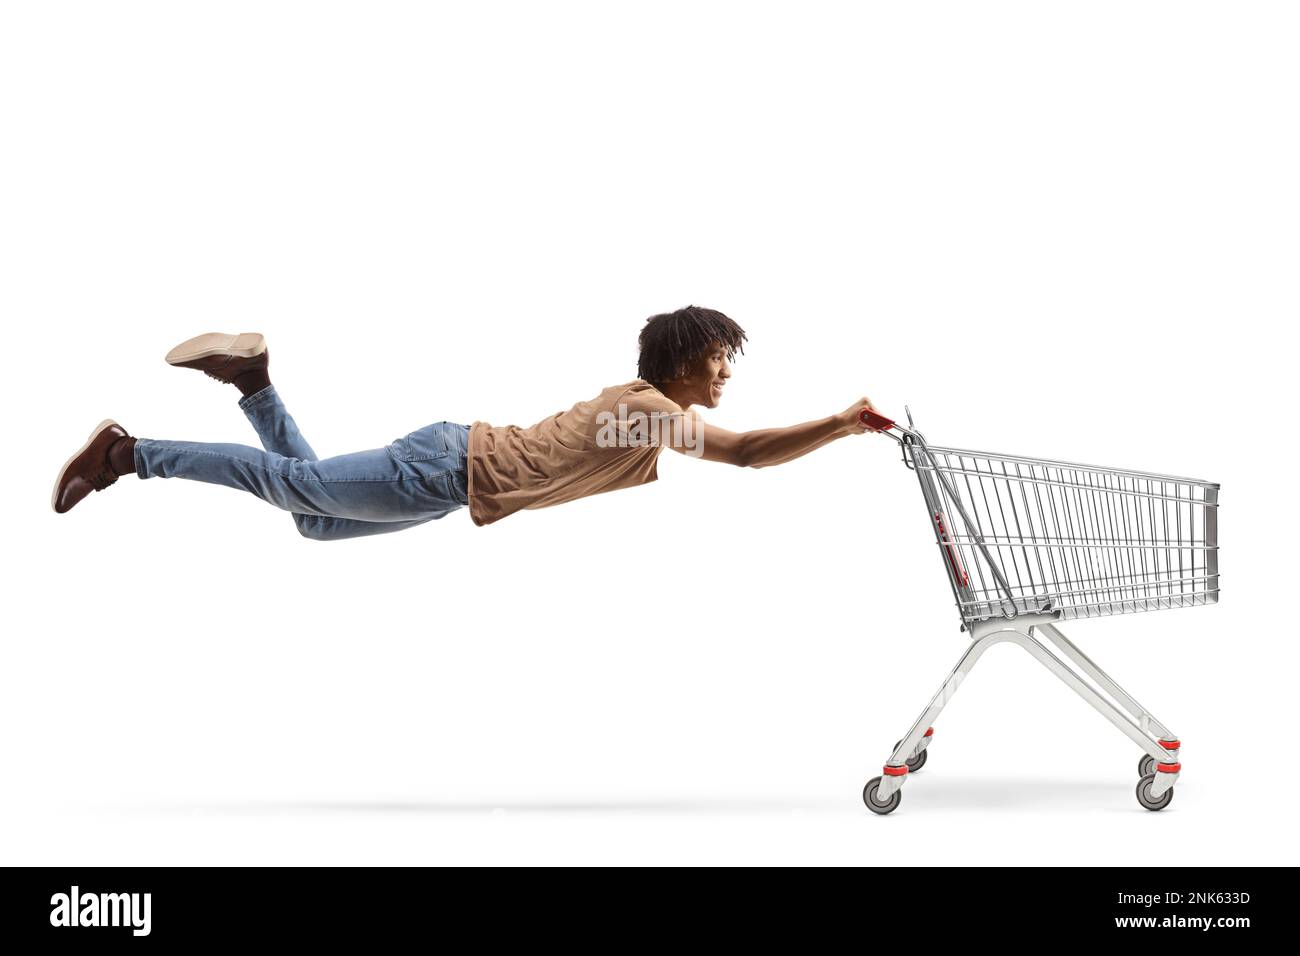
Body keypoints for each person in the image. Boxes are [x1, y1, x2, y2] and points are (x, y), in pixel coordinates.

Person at [52, 306, 882, 539]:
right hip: (445, 467)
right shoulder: (649, 408)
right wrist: (840, 424)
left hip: (454, 484)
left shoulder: (647, 417)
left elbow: (737, 451)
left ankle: (254, 380)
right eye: (718, 356)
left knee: (310, 518)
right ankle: (131, 454)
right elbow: (742, 455)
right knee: (292, 486)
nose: (727, 371)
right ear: (680, 359)